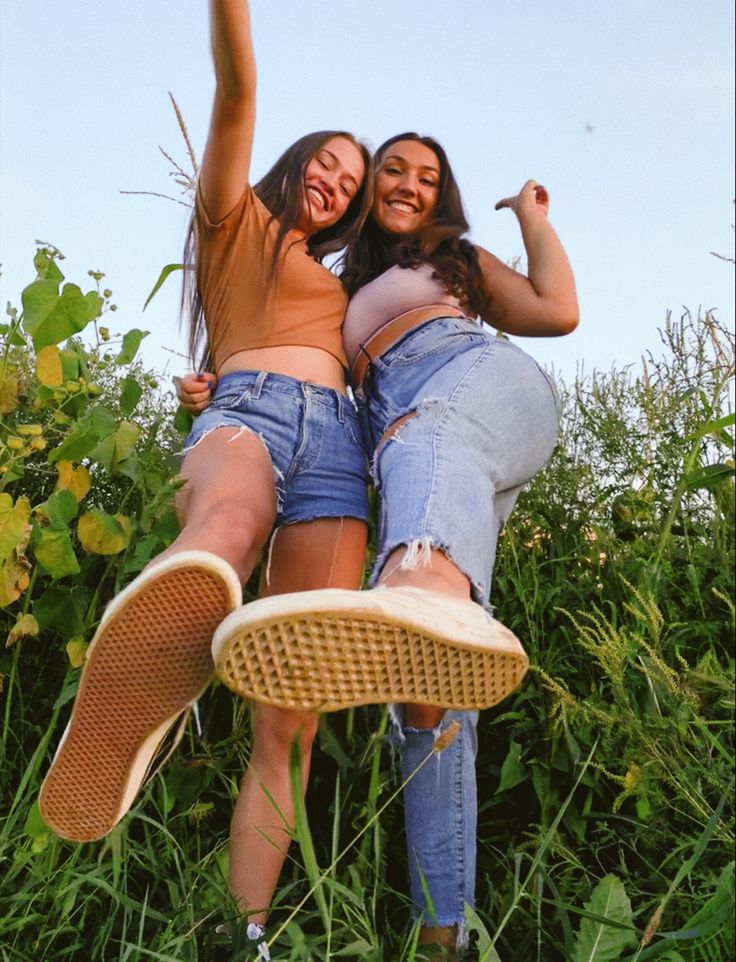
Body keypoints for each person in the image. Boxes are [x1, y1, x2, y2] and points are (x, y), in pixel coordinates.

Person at [185, 132, 578, 958]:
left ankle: (417, 583)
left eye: (426, 177)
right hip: (422, 461)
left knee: (421, 458)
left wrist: (533, 219)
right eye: (391, 170)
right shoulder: (332, 284)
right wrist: (220, 380)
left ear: (442, 198)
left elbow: (556, 310)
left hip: (474, 389)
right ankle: (445, 934)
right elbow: (288, 365)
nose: (406, 184)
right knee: (427, 690)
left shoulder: (454, 262)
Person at [39, 2, 371, 957]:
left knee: (294, 717)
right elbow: (238, 87)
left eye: (347, 181)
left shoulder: (342, 282)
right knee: (224, 526)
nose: (333, 181)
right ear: (298, 159)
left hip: (338, 452)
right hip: (252, 409)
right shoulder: (237, 220)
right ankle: (152, 666)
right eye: (327, 161)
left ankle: (245, 931)